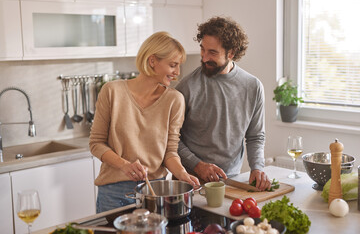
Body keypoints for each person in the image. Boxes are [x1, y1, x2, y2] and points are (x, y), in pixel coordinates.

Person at [89, 31, 200, 213]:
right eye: (173, 65)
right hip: (113, 195)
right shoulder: (112, 91)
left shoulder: (174, 100)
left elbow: (170, 152)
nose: (177, 73)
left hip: (154, 194)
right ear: (152, 61)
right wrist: (124, 165)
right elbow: (96, 143)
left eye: (179, 66)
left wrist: (182, 174)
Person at [175, 17, 271, 191]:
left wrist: (257, 167)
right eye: (202, 50)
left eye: (212, 52)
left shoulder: (253, 86)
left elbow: (255, 136)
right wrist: (197, 165)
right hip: (189, 182)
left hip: (230, 181)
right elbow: (172, 138)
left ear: (231, 53)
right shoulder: (187, 86)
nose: (204, 58)